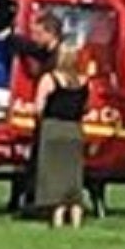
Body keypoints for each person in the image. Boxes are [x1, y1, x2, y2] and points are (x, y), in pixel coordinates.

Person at [5, 10, 63, 215]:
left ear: (51, 33)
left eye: (38, 34)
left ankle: (38, 203)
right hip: (49, 118)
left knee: (42, 161)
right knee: (36, 160)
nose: (35, 38)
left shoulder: (58, 59)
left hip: (52, 116)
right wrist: (13, 39)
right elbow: (31, 49)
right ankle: (31, 200)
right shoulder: (50, 53)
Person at [30, 41, 91, 228]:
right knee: (74, 178)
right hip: (74, 130)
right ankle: (76, 220)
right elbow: (86, 108)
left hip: (53, 129)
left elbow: (38, 107)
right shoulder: (83, 81)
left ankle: (57, 219)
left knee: (54, 177)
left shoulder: (49, 79)